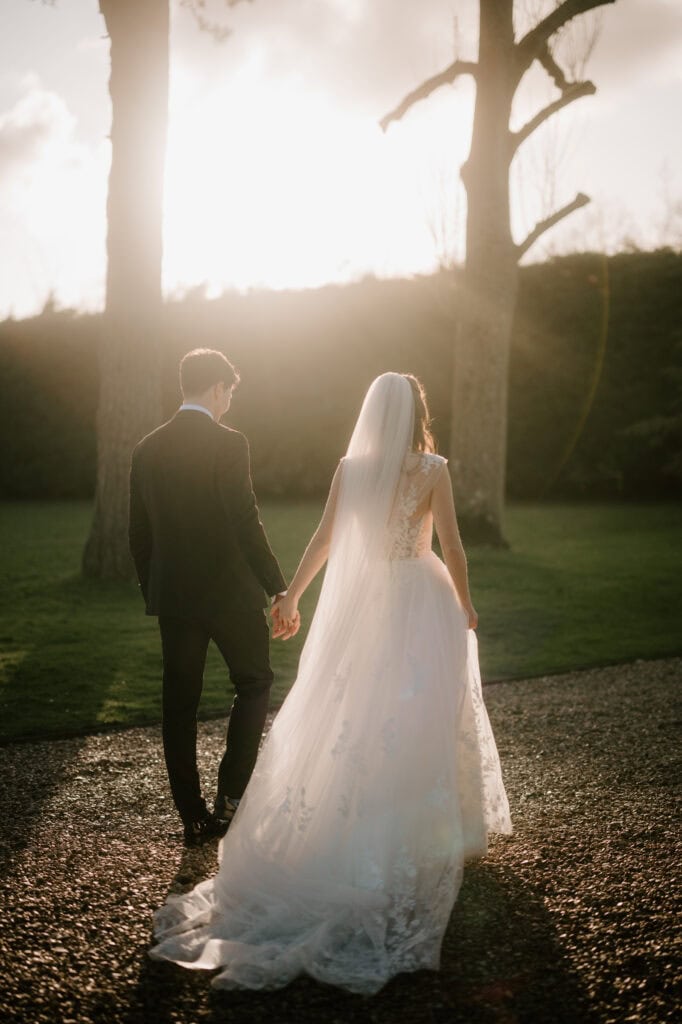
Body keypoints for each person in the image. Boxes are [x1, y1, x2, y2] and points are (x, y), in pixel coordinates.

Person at [149, 371, 512, 994]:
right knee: (424, 705)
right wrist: (467, 603)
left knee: (360, 711)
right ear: (418, 411)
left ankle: (367, 822)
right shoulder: (432, 468)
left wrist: (291, 594)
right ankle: (428, 831)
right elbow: (451, 544)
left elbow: (323, 539)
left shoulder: (351, 468)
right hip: (420, 595)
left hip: (366, 601)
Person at [128, 348, 295, 848]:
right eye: (229, 394)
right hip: (231, 594)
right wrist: (277, 586)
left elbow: (138, 534)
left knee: (179, 703)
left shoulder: (146, 449)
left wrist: (154, 589)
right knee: (255, 682)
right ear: (219, 388)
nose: (228, 404)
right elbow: (245, 518)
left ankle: (192, 816)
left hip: (175, 599)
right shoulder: (230, 442)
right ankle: (231, 797)